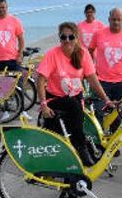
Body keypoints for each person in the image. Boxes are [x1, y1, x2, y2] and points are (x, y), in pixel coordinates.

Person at [37, 22, 113, 167]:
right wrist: (43, 105)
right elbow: (40, 80)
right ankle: (82, 147)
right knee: (72, 106)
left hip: (75, 98)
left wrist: (106, 99)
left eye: (71, 37)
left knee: (76, 107)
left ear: (77, 37)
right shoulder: (52, 54)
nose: (67, 40)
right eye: (63, 37)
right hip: (55, 98)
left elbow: (92, 79)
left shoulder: (83, 54)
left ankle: (79, 147)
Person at [0, 0, 25, 72]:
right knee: (0, 82)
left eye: (3, 7)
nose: (0, 9)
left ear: (7, 7)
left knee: (17, 81)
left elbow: (21, 39)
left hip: (13, 58)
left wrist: (20, 54)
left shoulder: (15, 21)